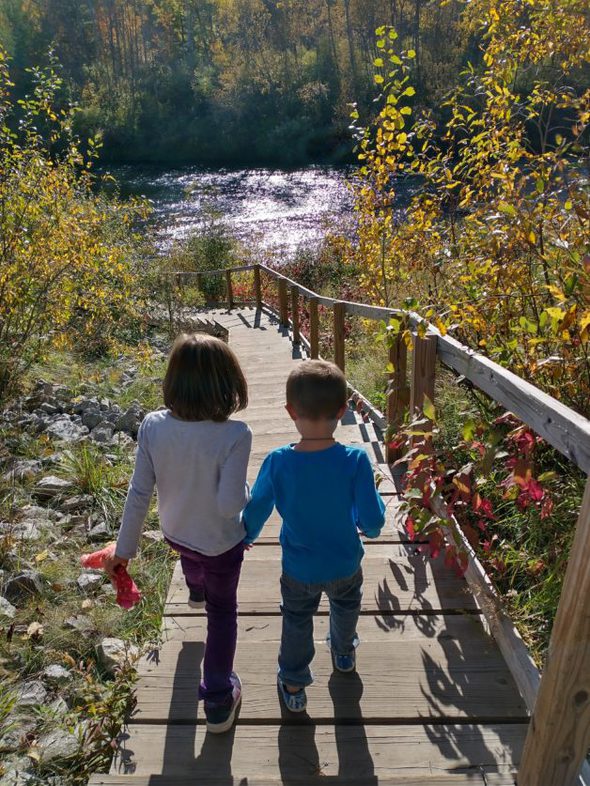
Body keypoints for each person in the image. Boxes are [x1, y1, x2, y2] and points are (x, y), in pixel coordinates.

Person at [105, 333, 251, 733]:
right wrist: (248, 491)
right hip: (221, 543)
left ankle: (194, 590)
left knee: (191, 555)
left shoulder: (153, 425)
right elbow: (229, 506)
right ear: (229, 383)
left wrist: (124, 550)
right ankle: (219, 698)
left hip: (175, 530)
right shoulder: (236, 435)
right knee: (222, 613)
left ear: (173, 381)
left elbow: (139, 492)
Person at [242, 359, 385, 712]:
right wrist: (370, 527)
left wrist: (245, 535)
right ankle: (343, 653)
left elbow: (257, 507)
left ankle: (293, 682)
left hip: (298, 569)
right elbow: (372, 520)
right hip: (345, 563)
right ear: (342, 409)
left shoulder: (277, 462)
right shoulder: (355, 460)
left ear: (290, 411)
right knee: (346, 607)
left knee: (296, 620)